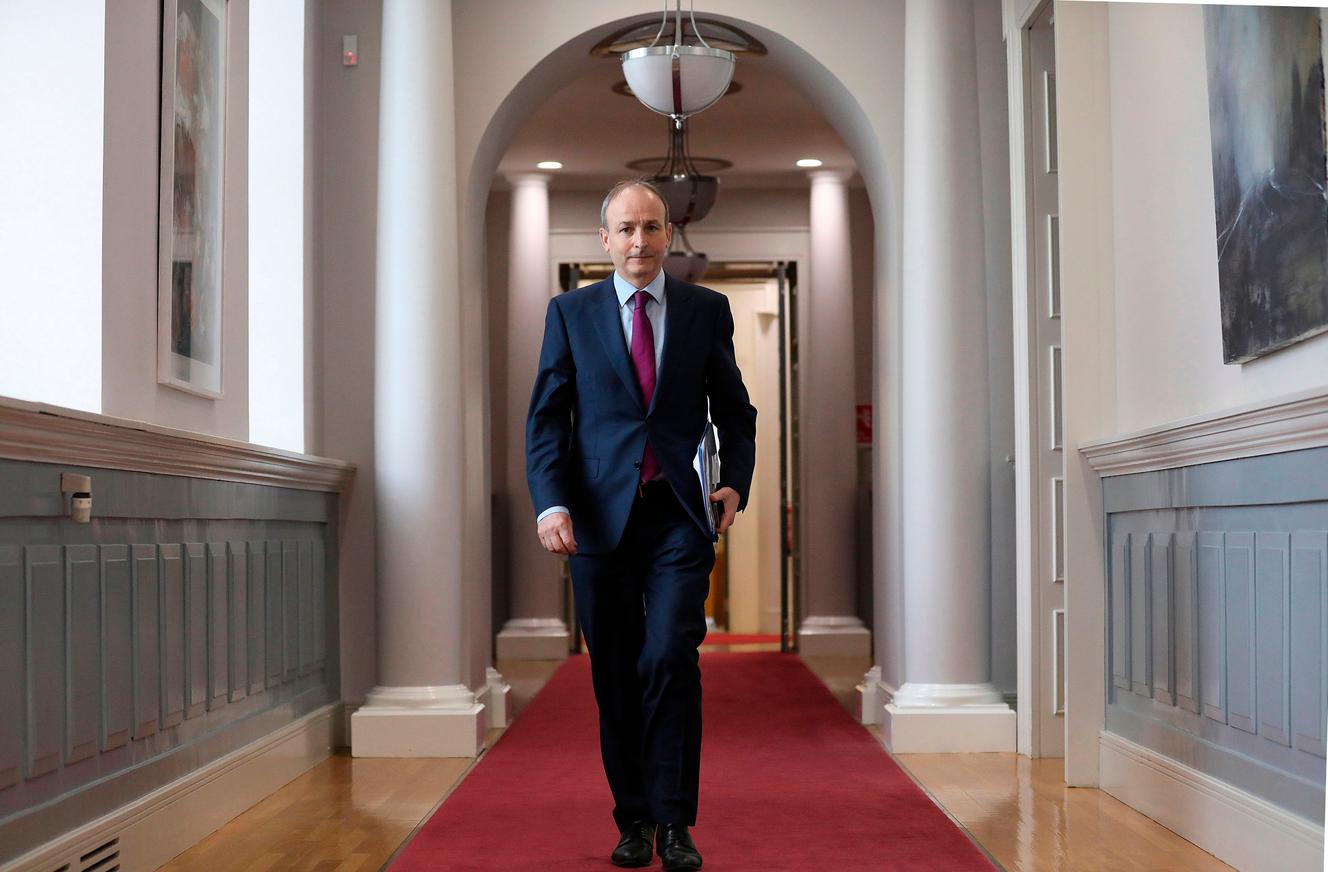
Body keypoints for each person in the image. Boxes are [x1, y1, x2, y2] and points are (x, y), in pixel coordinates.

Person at [526, 179, 757, 871]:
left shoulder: (703, 310)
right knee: (617, 676)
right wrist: (551, 503)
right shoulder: (571, 313)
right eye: (626, 228)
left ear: (667, 237)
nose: (640, 241)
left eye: (652, 228)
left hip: (679, 517)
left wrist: (733, 483)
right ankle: (633, 820)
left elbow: (736, 412)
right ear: (605, 240)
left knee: (669, 658)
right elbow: (547, 420)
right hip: (598, 523)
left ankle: (676, 822)